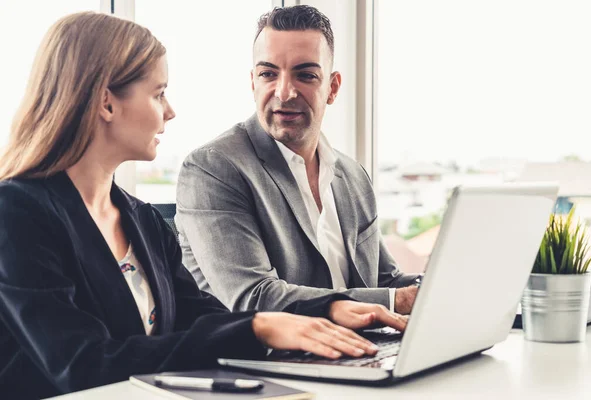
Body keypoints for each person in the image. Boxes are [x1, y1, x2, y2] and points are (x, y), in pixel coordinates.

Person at [0, 12, 410, 399]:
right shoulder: (17, 215)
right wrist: (259, 327)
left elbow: (205, 320)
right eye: (159, 93)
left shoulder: (142, 220)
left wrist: (330, 308)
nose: (171, 111)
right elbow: (79, 362)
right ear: (107, 103)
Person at [176, 5, 421, 313]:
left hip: (356, 350)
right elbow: (254, 298)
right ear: (253, 83)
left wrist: (441, 285)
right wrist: (394, 301)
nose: (285, 91)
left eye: (305, 75)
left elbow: (386, 281)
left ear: (332, 88)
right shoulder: (213, 168)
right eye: (268, 74)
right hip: (262, 359)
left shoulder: (353, 175)